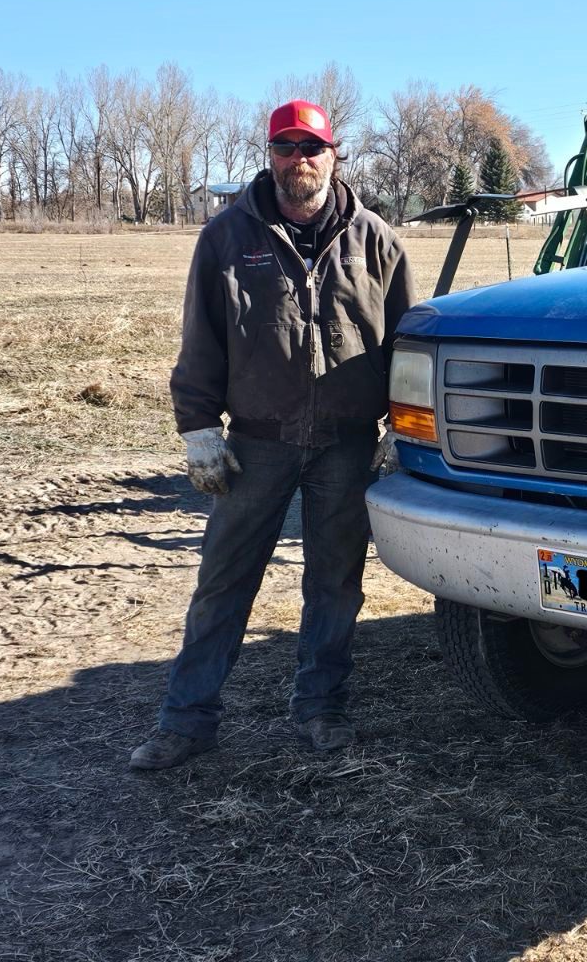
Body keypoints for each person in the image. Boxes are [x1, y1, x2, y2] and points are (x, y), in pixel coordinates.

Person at [130, 99, 414, 768]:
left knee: (335, 584)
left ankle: (321, 710)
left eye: (311, 146)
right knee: (224, 583)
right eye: (286, 147)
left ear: (333, 153)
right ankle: (186, 720)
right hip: (256, 443)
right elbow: (200, 341)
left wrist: (404, 429)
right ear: (269, 155)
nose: (300, 159)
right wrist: (198, 427)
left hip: (346, 445)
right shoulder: (228, 238)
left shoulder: (378, 242)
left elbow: (406, 349)